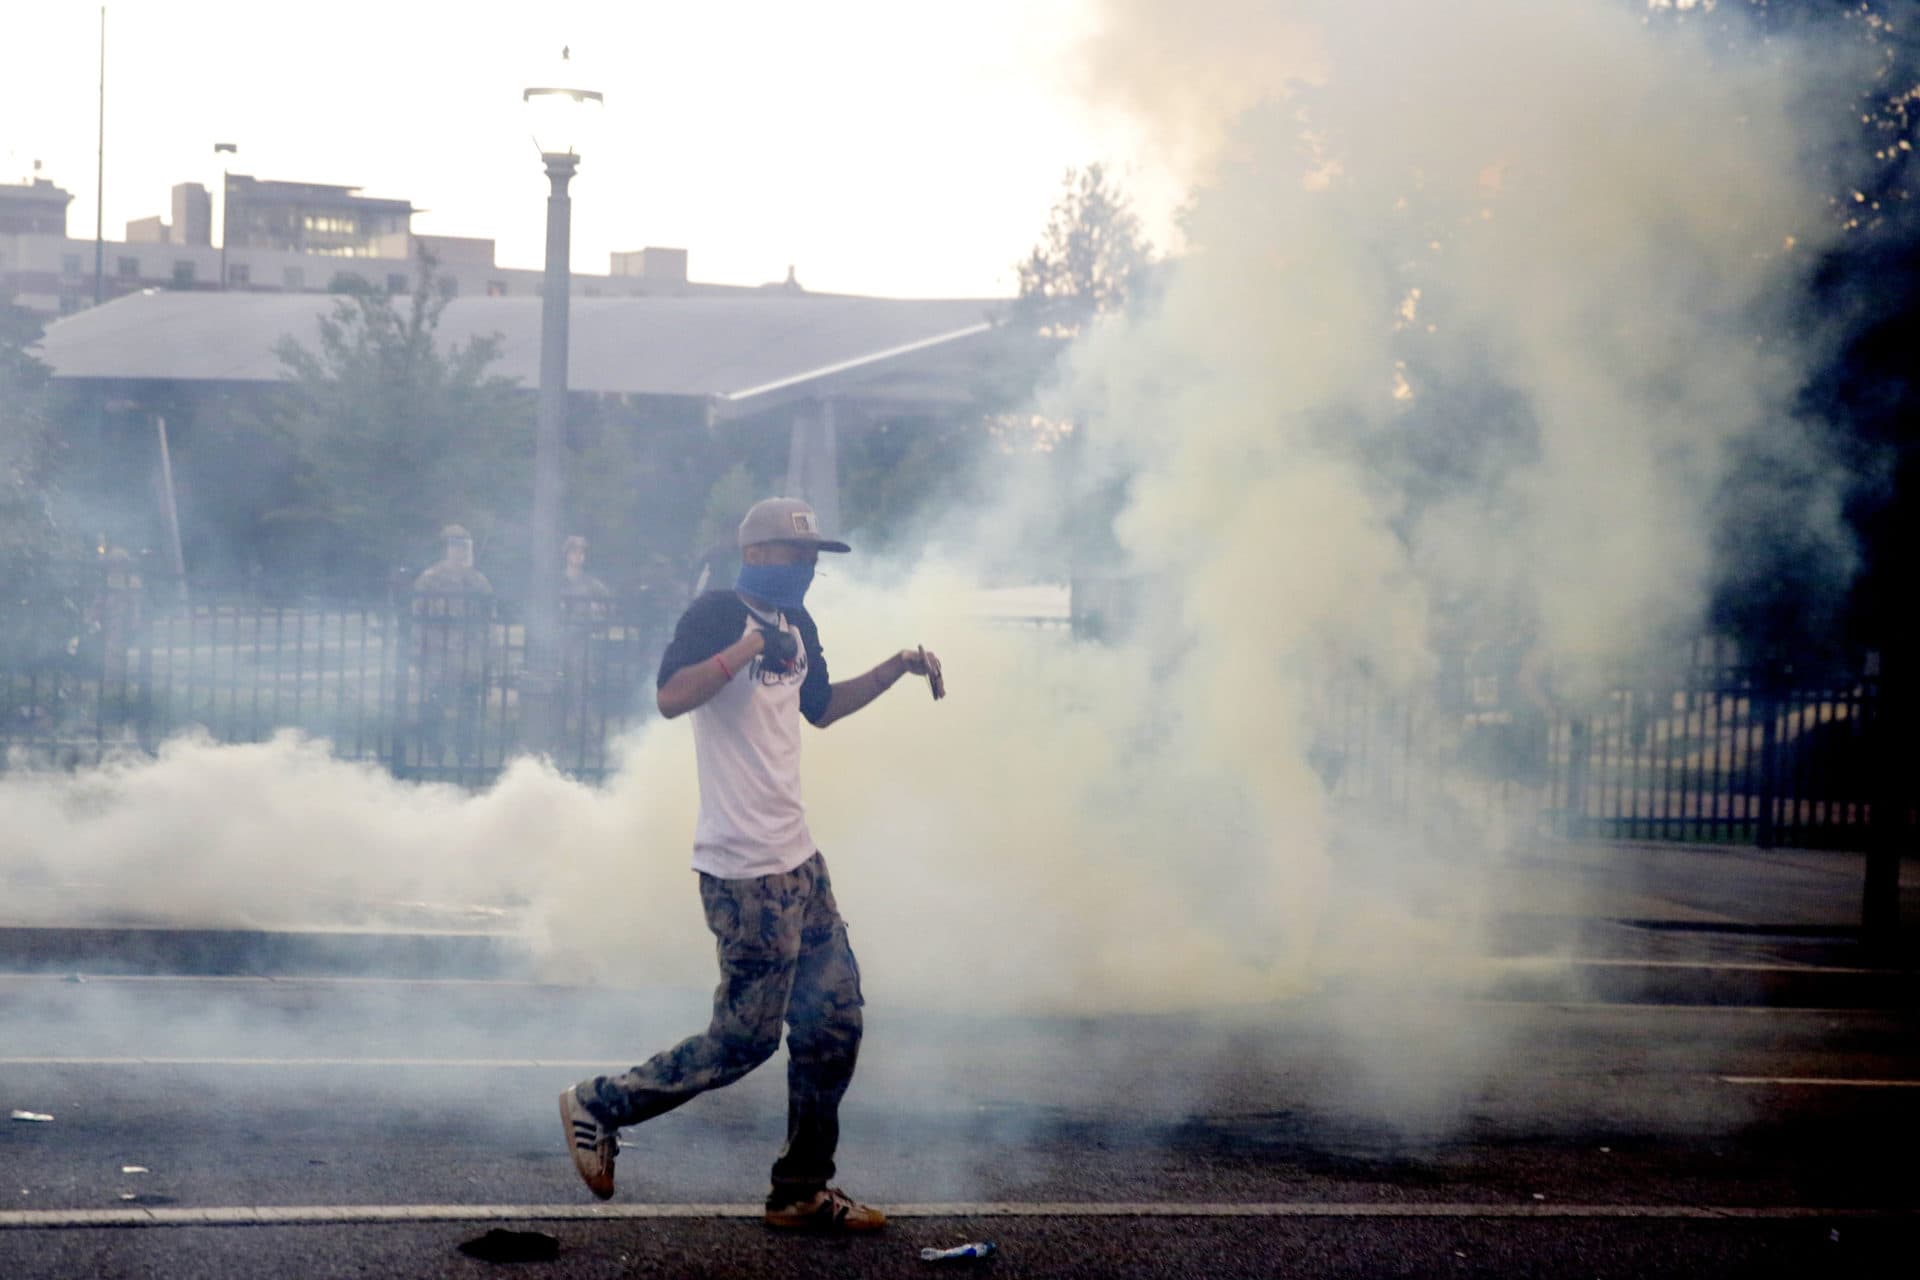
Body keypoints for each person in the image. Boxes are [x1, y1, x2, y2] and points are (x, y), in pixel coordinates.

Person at [559, 497, 945, 1233]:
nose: (809, 570)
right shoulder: (714, 612)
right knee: (744, 1040)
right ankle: (598, 1105)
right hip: (743, 870)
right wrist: (741, 650)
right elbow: (671, 699)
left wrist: (895, 667)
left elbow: (823, 707)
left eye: (815, 559)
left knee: (834, 1026)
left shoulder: (798, 625)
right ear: (761, 553)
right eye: (799, 556)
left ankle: (801, 1190)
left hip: (799, 860)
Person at [410, 524, 494, 767]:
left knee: (468, 707)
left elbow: (490, 618)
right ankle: (433, 753)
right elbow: (417, 618)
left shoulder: (478, 581)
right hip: (437, 654)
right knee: (434, 705)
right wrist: (418, 652)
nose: (459, 552)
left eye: (463, 546)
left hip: (469, 655)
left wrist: (489, 654)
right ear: (445, 549)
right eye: (454, 546)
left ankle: (465, 753)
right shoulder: (430, 579)